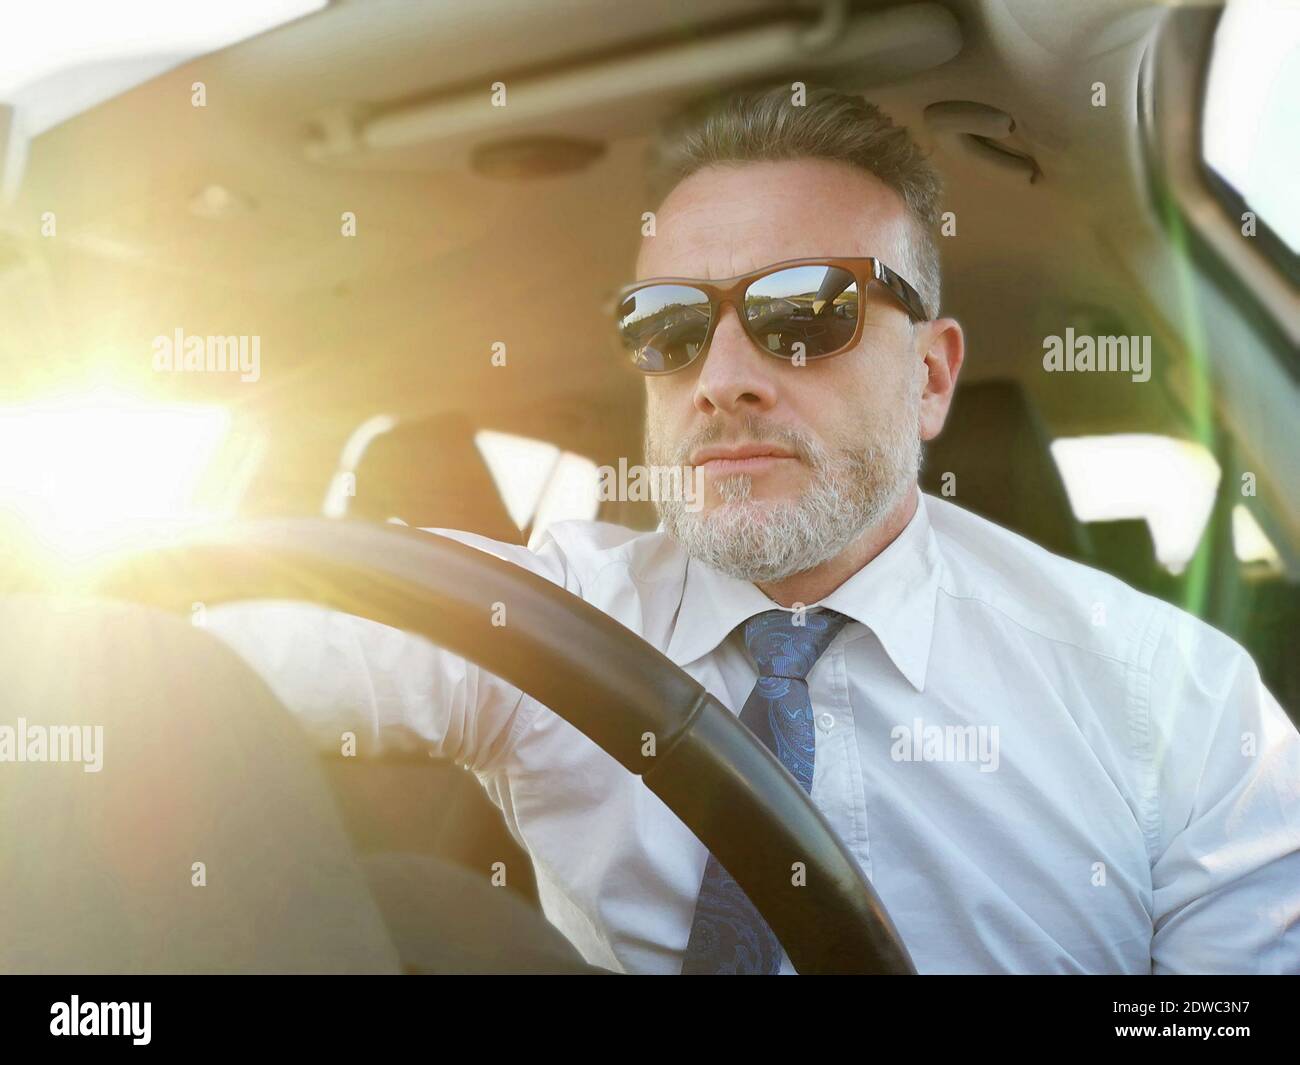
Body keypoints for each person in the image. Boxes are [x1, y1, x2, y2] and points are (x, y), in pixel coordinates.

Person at [207, 84, 1300, 975]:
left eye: (802, 314)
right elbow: (188, 653)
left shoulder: (1179, 700)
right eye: (667, 326)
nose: (722, 380)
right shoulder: (538, 621)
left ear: (929, 375)